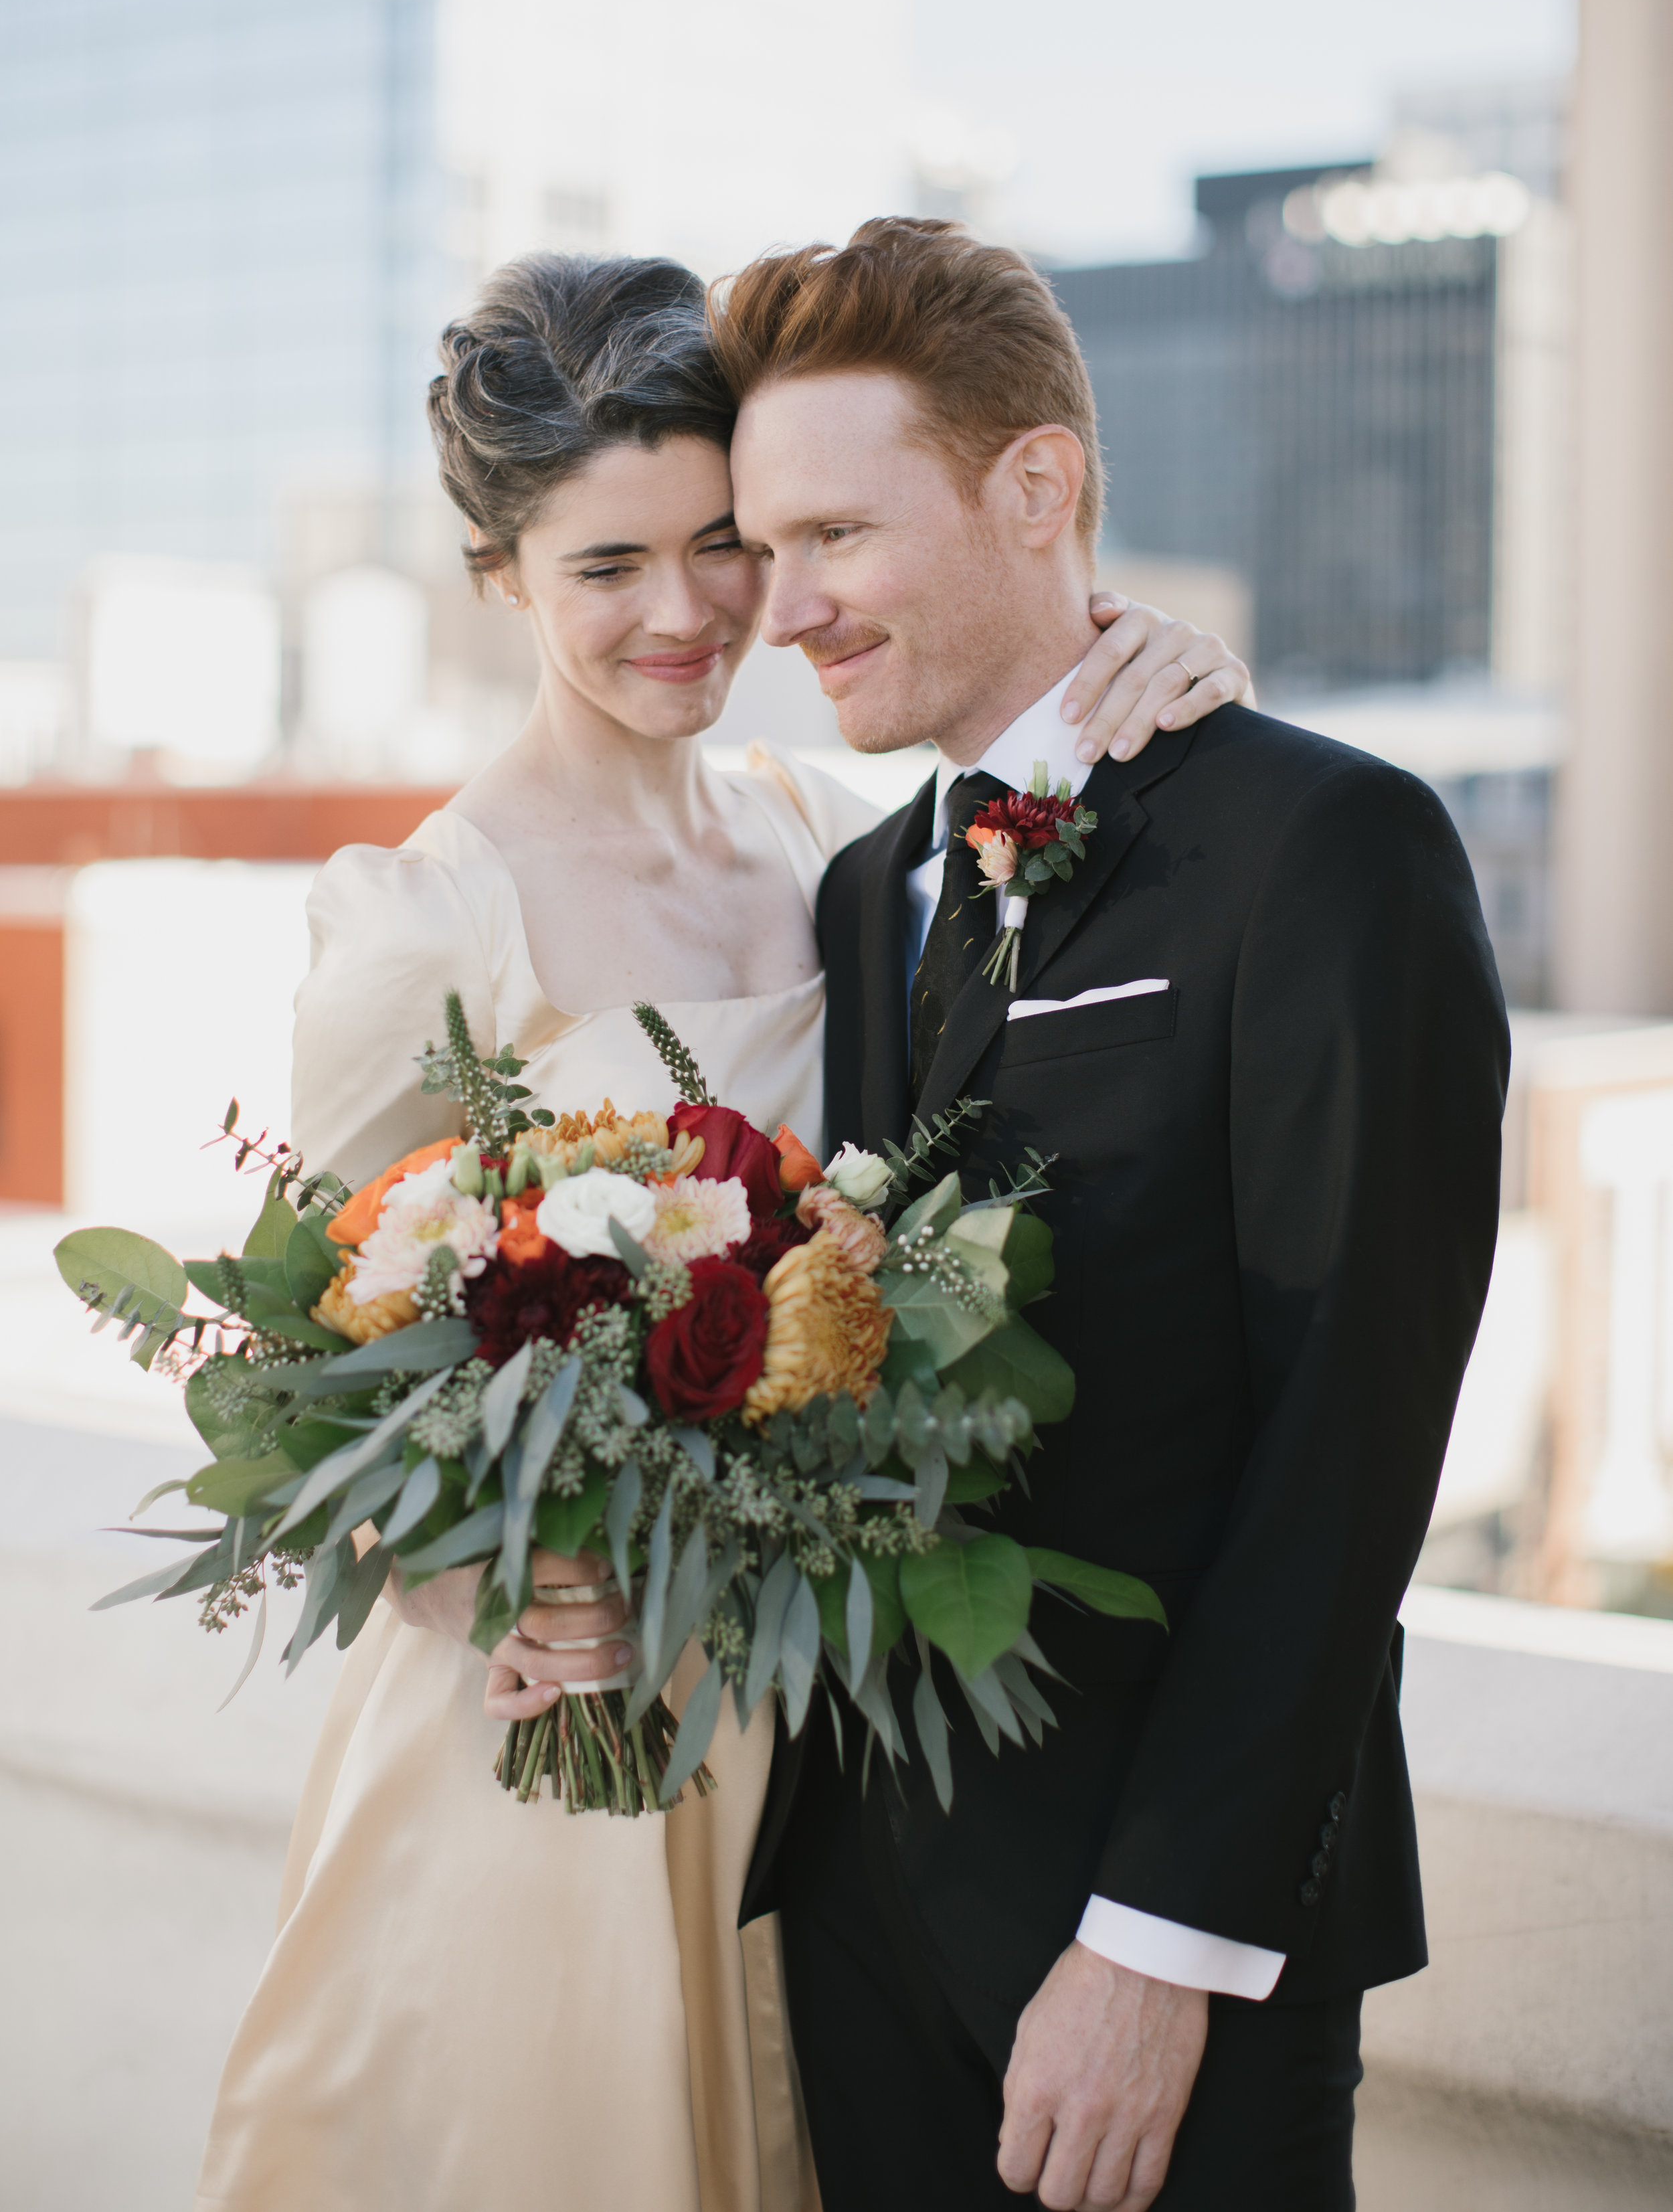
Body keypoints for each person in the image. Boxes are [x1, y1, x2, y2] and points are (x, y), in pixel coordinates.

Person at [193, 250, 1251, 2212]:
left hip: (820, 1732)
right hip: (553, 1742)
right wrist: (462, 1587)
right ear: (499, 576)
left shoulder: (823, 842)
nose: (682, 614)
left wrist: (1160, 666)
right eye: (605, 568)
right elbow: (298, 1379)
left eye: (718, 548)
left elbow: (1058, 839)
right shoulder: (423, 920)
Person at [714, 217, 1510, 2212]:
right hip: (853, 1905)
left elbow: (1350, 1430)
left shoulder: (1325, 844)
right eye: (760, 548)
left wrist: (1161, 1944)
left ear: (1037, 483)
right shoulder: (856, 890)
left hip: (1159, 1946)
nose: (780, 606)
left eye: (832, 536)